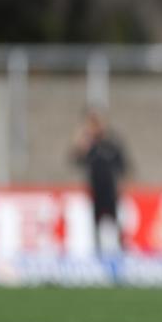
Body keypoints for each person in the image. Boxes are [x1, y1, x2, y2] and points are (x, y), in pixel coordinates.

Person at [71, 109, 129, 256]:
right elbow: (76, 160)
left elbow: (123, 165)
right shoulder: (89, 146)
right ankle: (98, 254)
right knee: (96, 225)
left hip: (111, 191)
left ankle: (121, 252)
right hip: (96, 192)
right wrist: (81, 142)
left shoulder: (111, 144)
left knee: (115, 223)